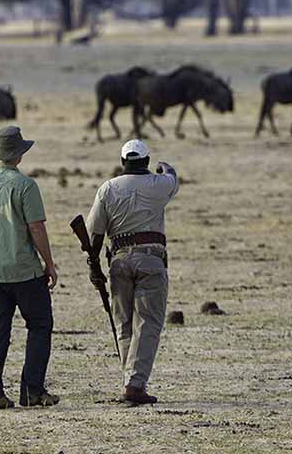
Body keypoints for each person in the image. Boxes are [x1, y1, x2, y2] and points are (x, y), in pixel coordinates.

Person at [0, 125, 59, 410]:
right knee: (40, 325)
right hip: (23, 270)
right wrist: (50, 263)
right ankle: (32, 390)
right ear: (19, 155)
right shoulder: (26, 186)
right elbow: (36, 228)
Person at [85, 138, 179, 405]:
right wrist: (164, 167)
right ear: (146, 162)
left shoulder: (108, 189)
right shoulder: (159, 185)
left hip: (119, 261)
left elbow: (95, 234)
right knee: (147, 323)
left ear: (123, 162)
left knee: (123, 323)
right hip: (151, 259)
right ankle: (135, 385)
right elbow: (173, 177)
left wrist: (94, 268)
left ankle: (130, 380)